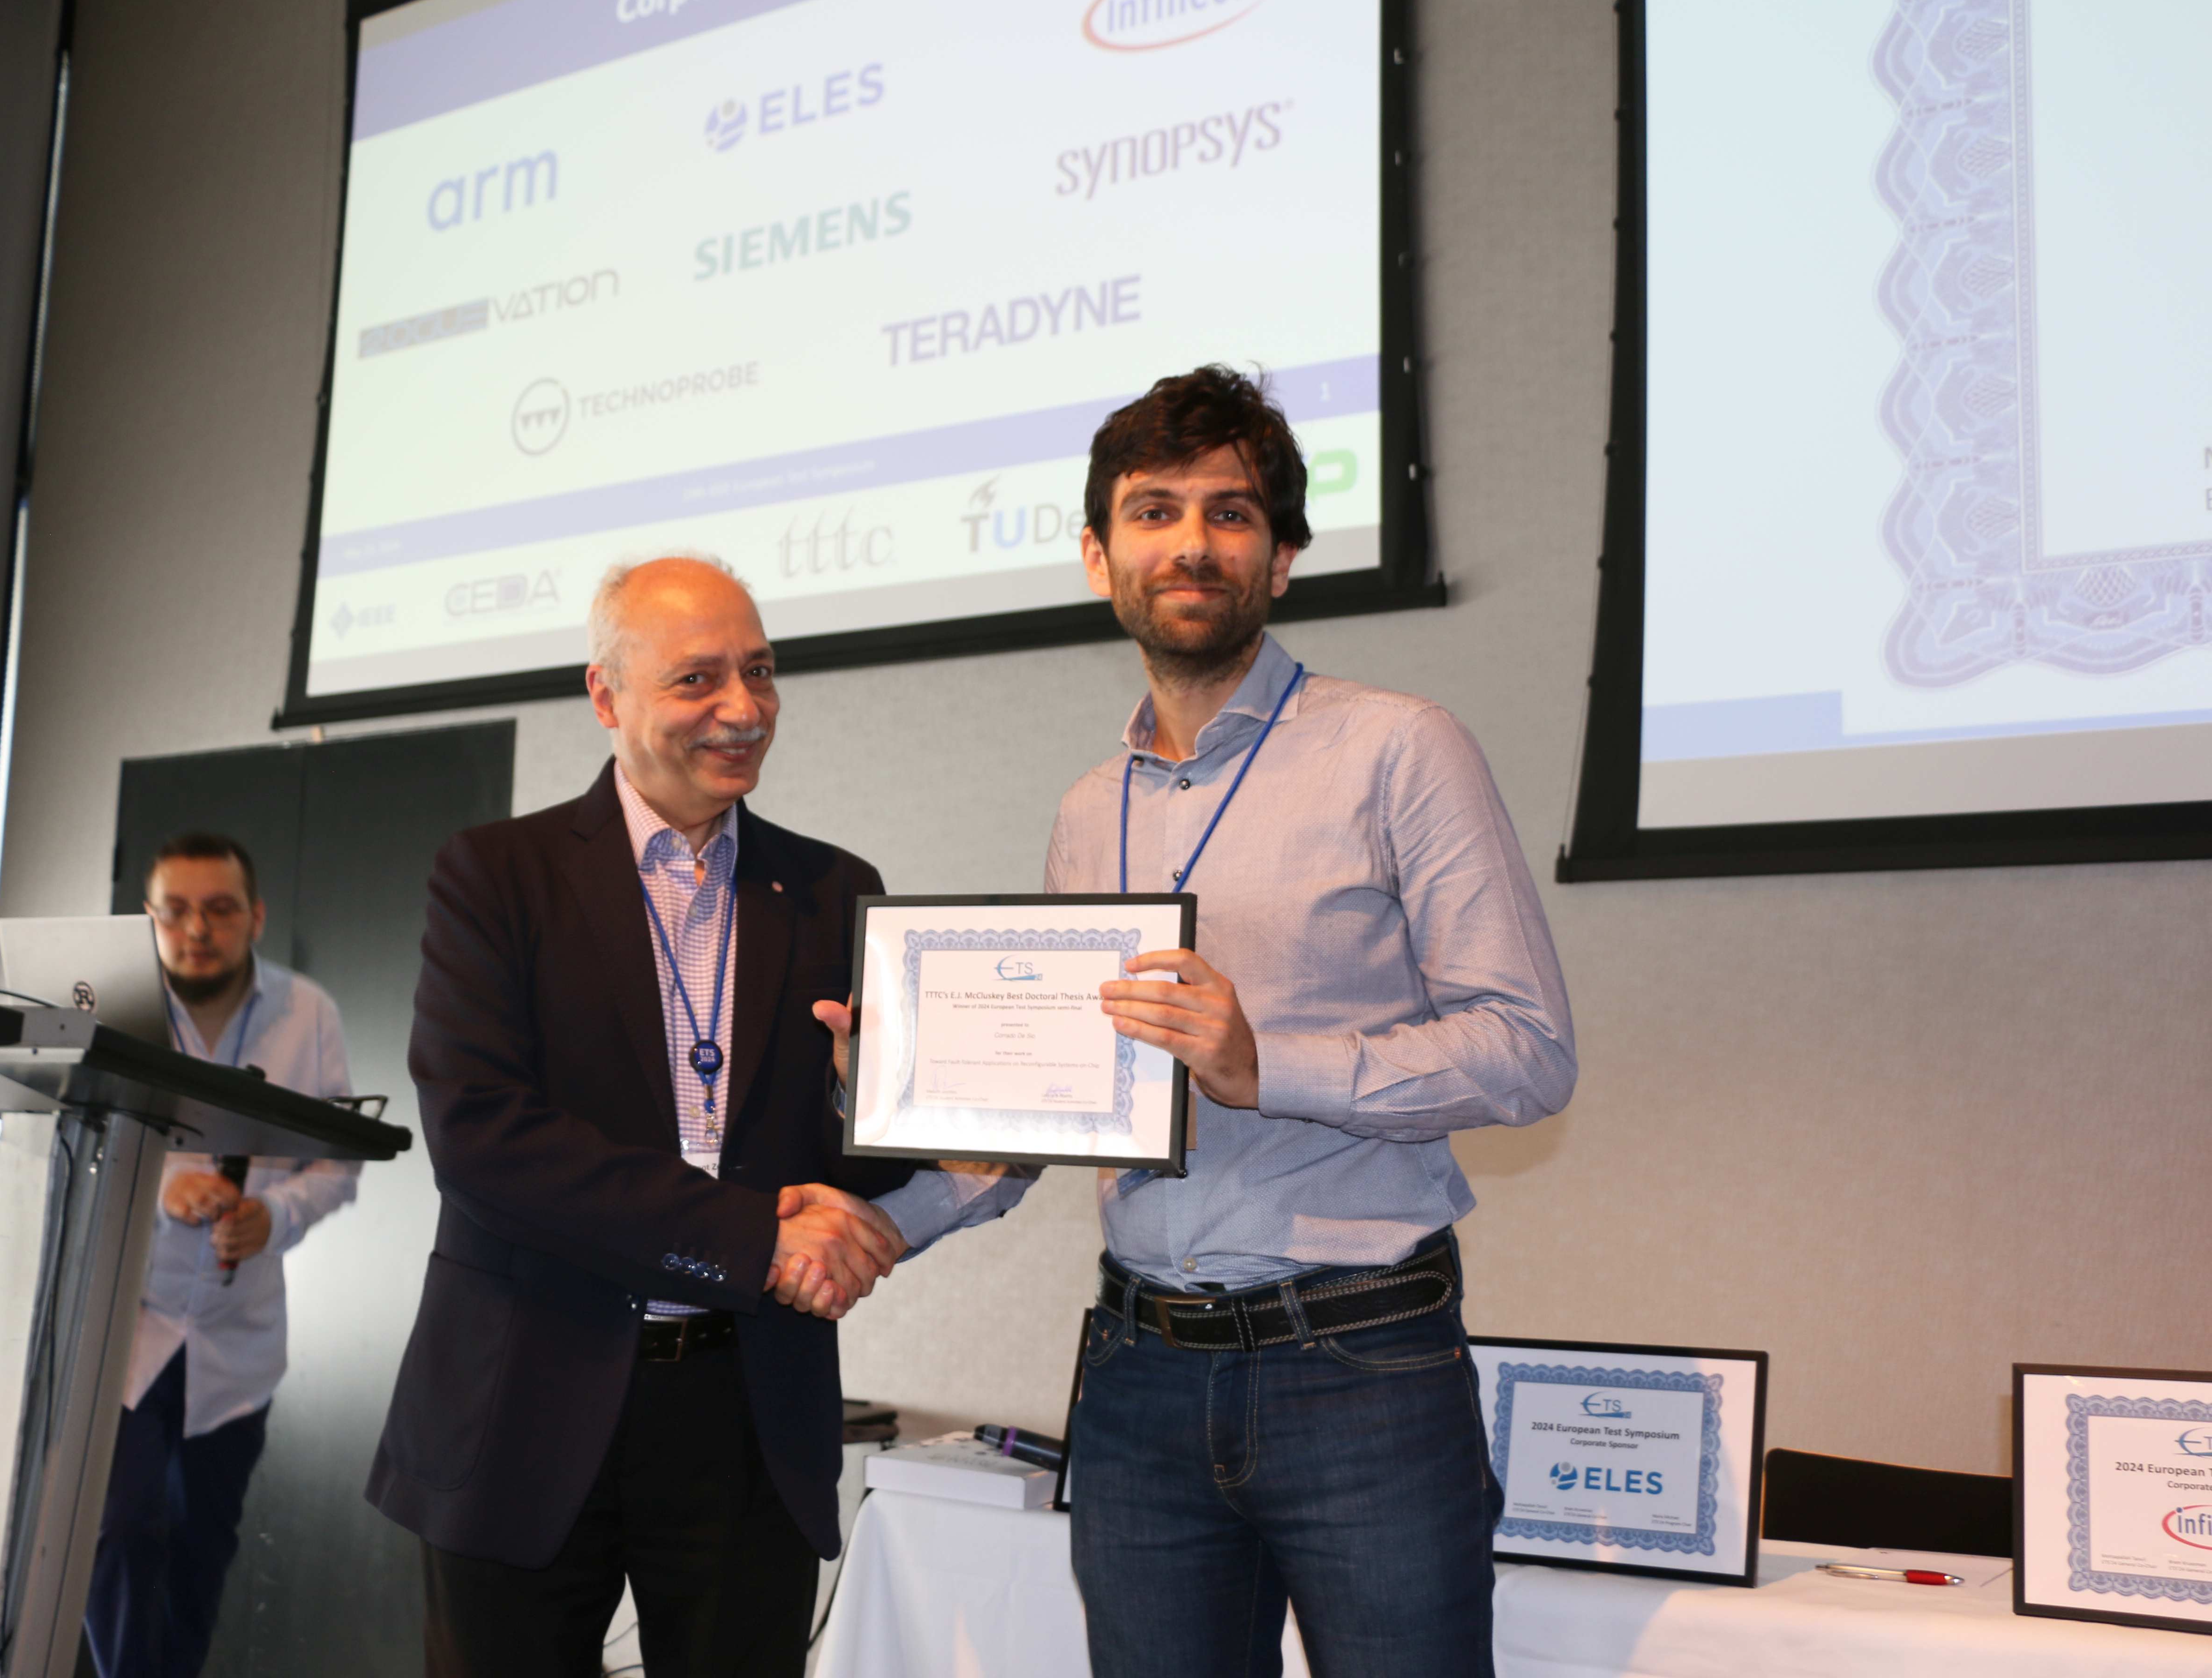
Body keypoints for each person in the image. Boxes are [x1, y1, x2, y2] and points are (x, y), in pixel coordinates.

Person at [790, 365, 1577, 1676]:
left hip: (1361, 1365)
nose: (1193, 542)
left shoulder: (1400, 750)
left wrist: (1269, 1065)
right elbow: (1055, 1115)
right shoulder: (1087, 809)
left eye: (1232, 512)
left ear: (1283, 558)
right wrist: (889, 1168)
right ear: (1100, 557)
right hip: (1138, 1372)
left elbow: (1528, 1050)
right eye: (1154, 512)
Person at [367, 555, 989, 1678]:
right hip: (523, 1399)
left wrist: (869, 1101)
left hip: (747, 1408)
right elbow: (484, 1140)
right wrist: (754, 1240)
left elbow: (845, 1160)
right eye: (698, 680)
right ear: (606, 696)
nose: (744, 709)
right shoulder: (496, 875)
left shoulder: (837, 890)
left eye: (761, 672)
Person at [83, 832, 361, 1678]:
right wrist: (159, 1189)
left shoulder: (308, 1013)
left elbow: (339, 1162)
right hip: (125, 1328)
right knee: (118, 1530)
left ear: (256, 917)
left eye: (219, 910)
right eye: (175, 911)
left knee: (200, 1550)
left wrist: (275, 1215)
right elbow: (70, 1144)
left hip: (237, 1339)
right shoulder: (111, 1007)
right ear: (149, 918)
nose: (197, 929)